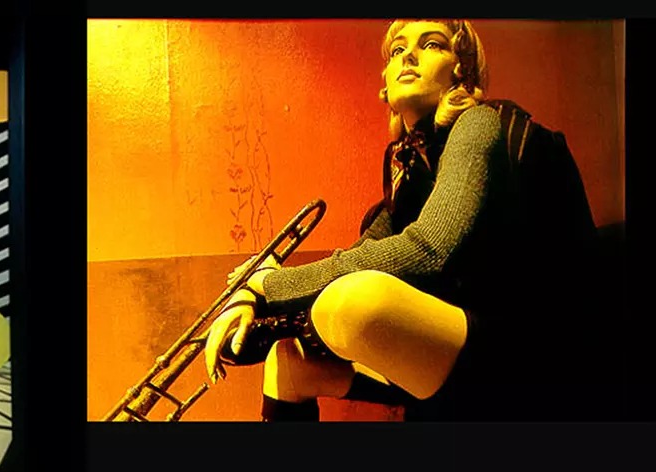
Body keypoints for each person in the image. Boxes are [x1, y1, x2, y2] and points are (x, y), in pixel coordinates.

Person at [202, 19, 597, 421]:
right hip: (462, 355)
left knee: (353, 302)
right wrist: (252, 297)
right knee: (289, 361)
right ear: (386, 81)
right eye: (397, 50)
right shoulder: (409, 163)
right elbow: (360, 256)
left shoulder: (480, 123)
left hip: (534, 356)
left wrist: (268, 283)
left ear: (460, 70)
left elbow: (427, 248)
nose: (409, 55)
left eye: (432, 44)